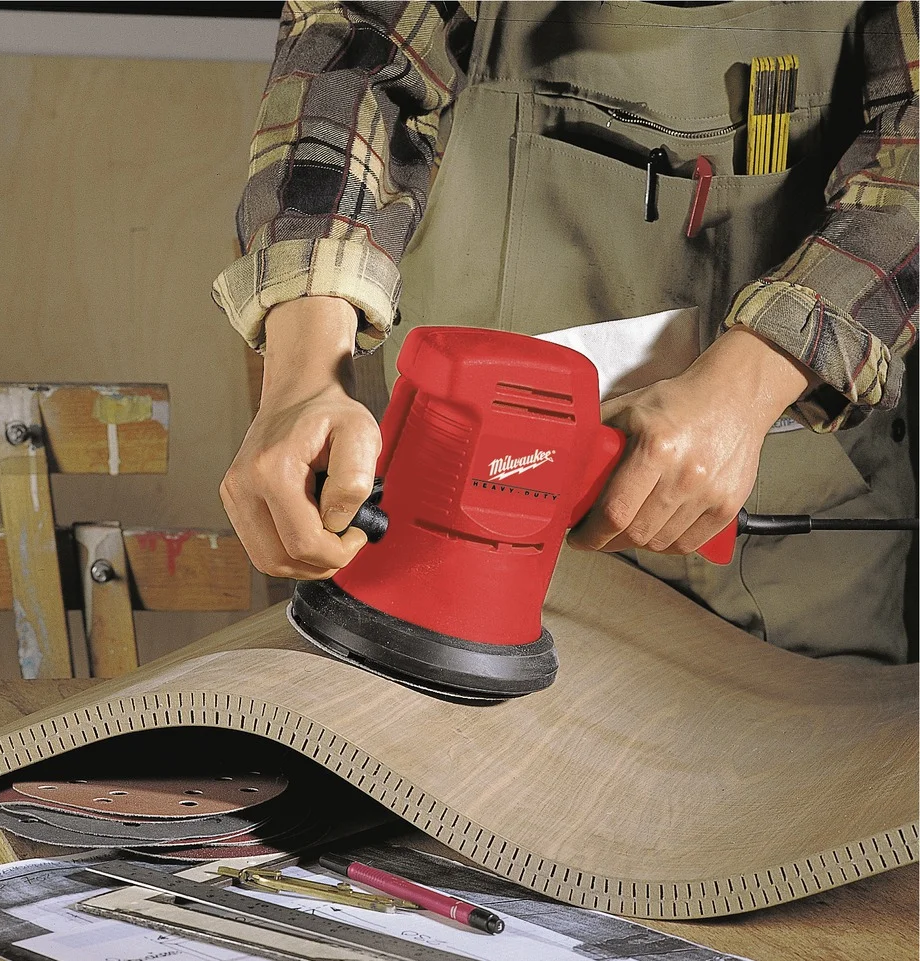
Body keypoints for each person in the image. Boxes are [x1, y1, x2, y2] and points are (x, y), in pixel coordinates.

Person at [213, 1, 918, 662]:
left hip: (782, 555)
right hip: (443, 553)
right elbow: (356, 47)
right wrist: (305, 374)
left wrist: (749, 385)